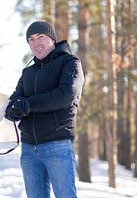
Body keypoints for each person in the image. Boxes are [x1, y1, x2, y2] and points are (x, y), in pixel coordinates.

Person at [5, 20, 84, 198]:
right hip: (28, 149)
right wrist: (14, 111)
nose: (35, 43)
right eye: (31, 39)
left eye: (41, 37)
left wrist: (28, 104)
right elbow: (13, 102)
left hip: (57, 145)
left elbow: (65, 95)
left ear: (52, 39)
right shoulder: (28, 72)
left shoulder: (70, 63)